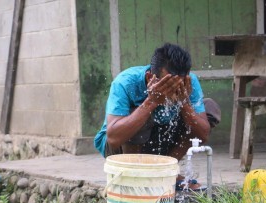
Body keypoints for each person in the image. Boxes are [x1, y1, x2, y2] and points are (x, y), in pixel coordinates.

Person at [94, 43, 221, 188]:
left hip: (160, 142)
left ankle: (166, 173)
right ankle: (136, 175)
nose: (174, 91)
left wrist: (184, 102)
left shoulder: (189, 81)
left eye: (178, 85)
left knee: (208, 108)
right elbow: (113, 138)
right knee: (139, 114)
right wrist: (151, 102)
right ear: (150, 78)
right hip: (120, 150)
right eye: (168, 85)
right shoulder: (125, 82)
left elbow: (203, 134)